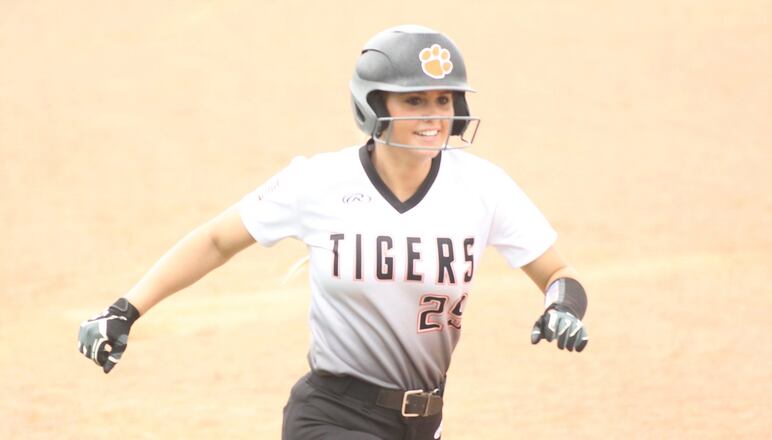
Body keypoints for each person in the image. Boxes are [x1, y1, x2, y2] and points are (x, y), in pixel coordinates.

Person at [78, 24, 589, 440]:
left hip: (424, 421)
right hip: (331, 416)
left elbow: (558, 273)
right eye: (413, 102)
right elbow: (216, 240)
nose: (434, 116)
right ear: (373, 106)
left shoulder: (483, 187)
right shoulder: (318, 181)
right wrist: (125, 310)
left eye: (443, 99)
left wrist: (561, 307)